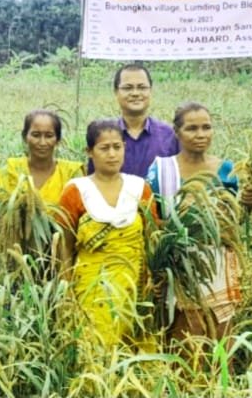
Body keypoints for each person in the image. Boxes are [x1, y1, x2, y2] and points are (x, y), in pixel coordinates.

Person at [145, 102, 252, 343]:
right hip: (178, 267)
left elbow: (235, 220)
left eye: (206, 127)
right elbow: (152, 223)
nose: (200, 135)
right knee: (185, 338)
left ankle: (219, 381)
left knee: (221, 336)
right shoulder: (161, 170)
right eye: (191, 128)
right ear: (177, 132)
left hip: (216, 263)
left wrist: (248, 203)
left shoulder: (227, 169)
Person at [58, 119, 158, 350]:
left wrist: (153, 277)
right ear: (90, 152)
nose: (112, 154)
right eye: (104, 148)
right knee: (95, 347)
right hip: (91, 288)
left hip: (135, 286)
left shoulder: (139, 188)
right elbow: (64, 244)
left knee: (135, 347)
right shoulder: (76, 190)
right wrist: (65, 287)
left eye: (117, 147)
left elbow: (152, 237)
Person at [88, 64, 178, 178]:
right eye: (127, 88)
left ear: (151, 91)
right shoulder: (102, 136)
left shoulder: (169, 135)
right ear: (116, 92)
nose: (135, 93)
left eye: (142, 87)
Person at [0, 109, 84, 204]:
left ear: (58, 140)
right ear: (25, 137)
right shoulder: (10, 171)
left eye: (49, 136)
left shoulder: (71, 174)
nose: (42, 142)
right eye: (36, 135)